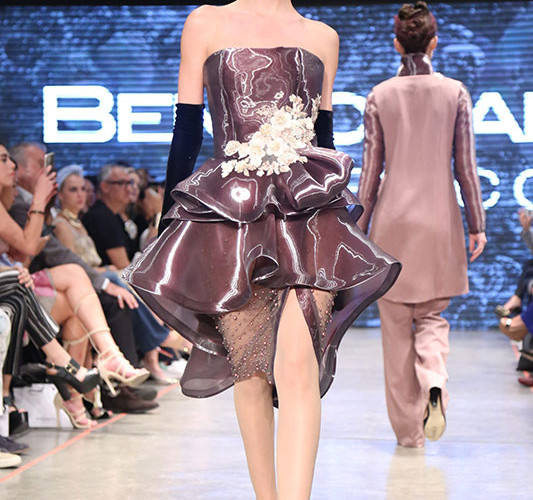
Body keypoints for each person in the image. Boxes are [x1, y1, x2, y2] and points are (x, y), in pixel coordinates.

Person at [123, 2, 400, 498]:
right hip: (229, 214)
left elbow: (323, 138)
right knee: (251, 371)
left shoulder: (323, 36)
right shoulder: (205, 22)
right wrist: (170, 223)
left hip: (307, 214)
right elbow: (186, 130)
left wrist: (339, 216)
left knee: (297, 365)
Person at [357, 2, 487, 448]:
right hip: (439, 222)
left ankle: (409, 436)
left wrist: (358, 229)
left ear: (397, 44)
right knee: (432, 316)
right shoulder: (455, 92)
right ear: (435, 42)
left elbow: (370, 174)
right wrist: (477, 225)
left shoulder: (379, 95)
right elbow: (466, 169)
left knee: (395, 332)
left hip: (392, 224)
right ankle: (434, 379)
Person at [55, 165, 186, 383]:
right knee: (126, 281)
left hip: (97, 275)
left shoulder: (78, 222)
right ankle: (161, 342)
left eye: (82, 189)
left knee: (139, 280)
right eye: (73, 190)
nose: (81, 194)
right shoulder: (64, 225)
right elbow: (73, 264)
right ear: (59, 194)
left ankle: (158, 350)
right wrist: (105, 270)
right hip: (86, 280)